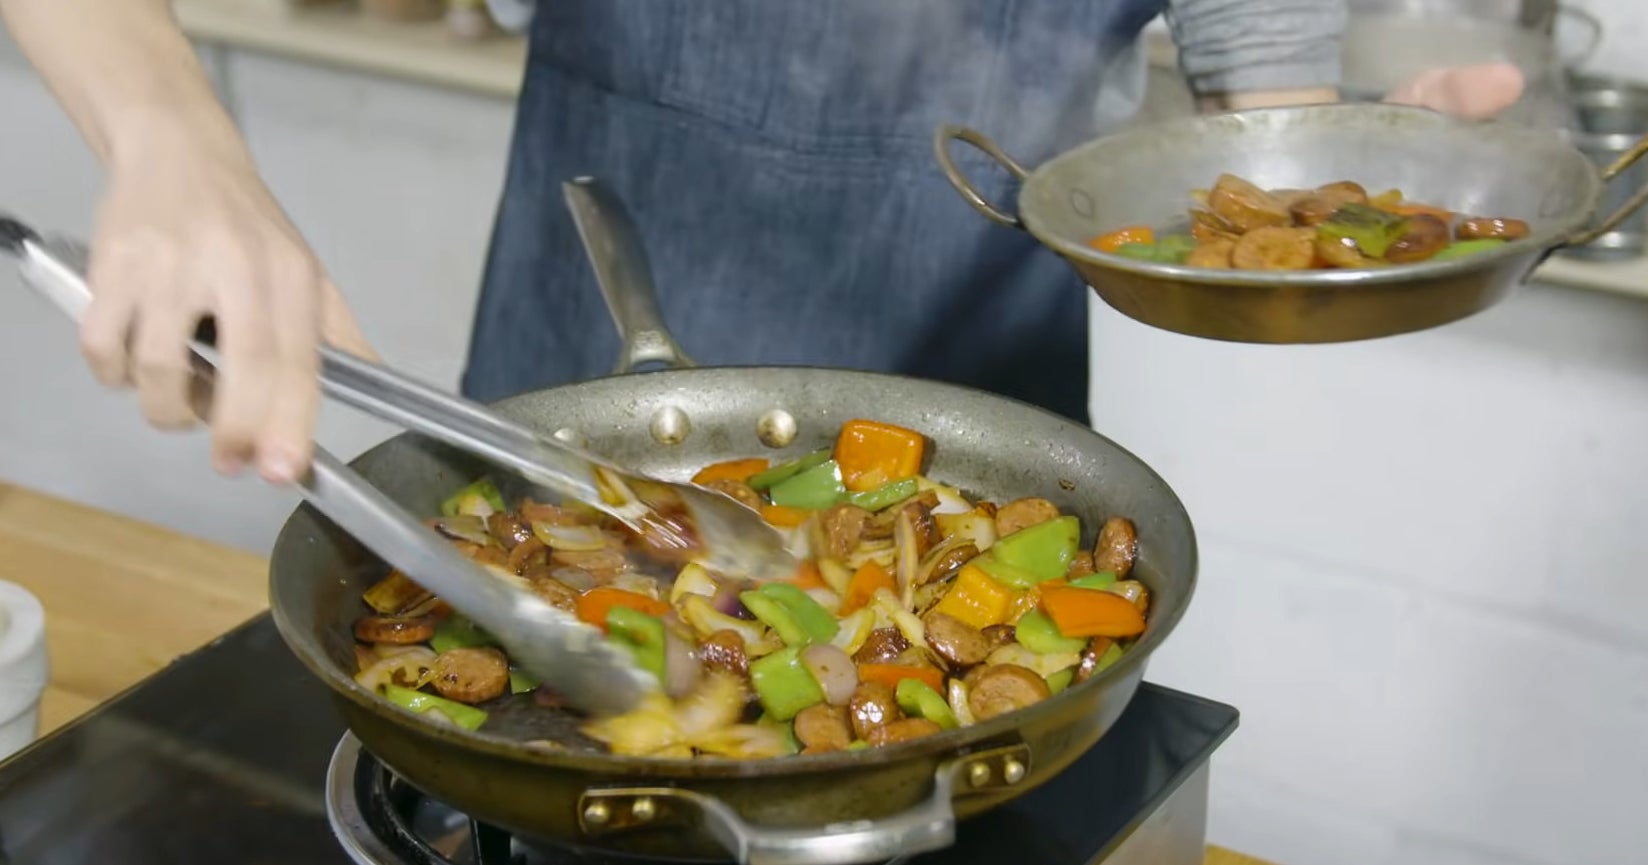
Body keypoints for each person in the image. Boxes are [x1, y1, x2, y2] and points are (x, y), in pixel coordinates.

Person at [0, 0, 1522, 486]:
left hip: (985, 463)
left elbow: (1267, 127)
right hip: (572, 402)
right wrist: (170, 133)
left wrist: (1347, 202)